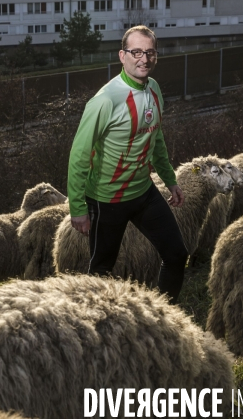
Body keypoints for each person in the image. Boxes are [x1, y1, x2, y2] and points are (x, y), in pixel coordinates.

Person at [67, 25, 188, 303]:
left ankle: (163, 320)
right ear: (122, 56)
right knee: (101, 273)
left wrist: (170, 180)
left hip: (144, 192)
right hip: (107, 199)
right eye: (136, 52)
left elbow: (156, 139)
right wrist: (78, 208)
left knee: (177, 255)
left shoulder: (155, 89)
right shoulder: (105, 100)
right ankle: (94, 331)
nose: (143, 59)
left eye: (150, 52)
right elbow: (79, 156)